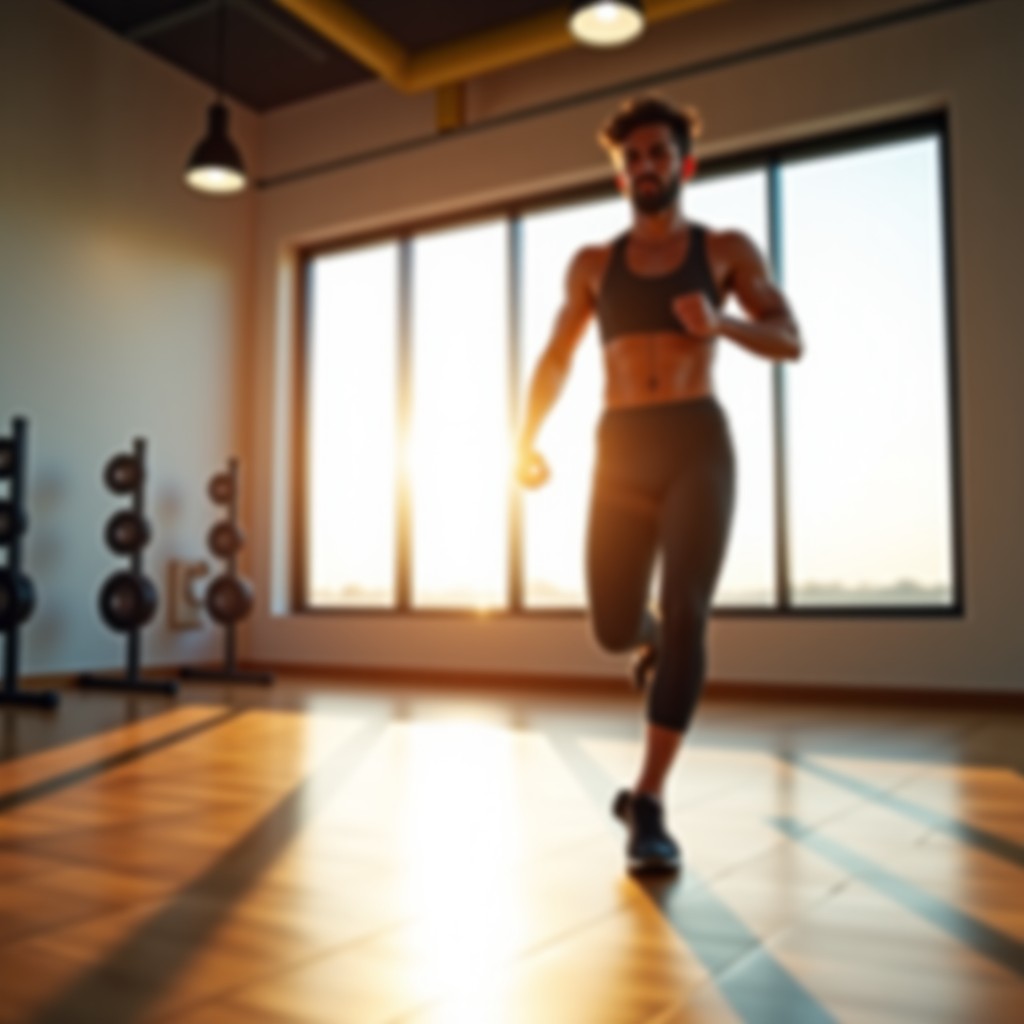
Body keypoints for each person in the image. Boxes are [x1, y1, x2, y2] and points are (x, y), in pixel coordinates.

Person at [514, 95, 803, 873]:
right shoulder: (592, 265)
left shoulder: (725, 252)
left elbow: (791, 337)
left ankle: (647, 801)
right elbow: (556, 357)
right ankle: (648, 644)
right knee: (612, 625)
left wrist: (724, 325)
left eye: (658, 154)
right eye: (632, 158)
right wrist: (522, 437)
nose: (646, 167)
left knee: (689, 613)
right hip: (620, 448)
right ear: (621, 177)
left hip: (695, 443)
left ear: (685, 164)